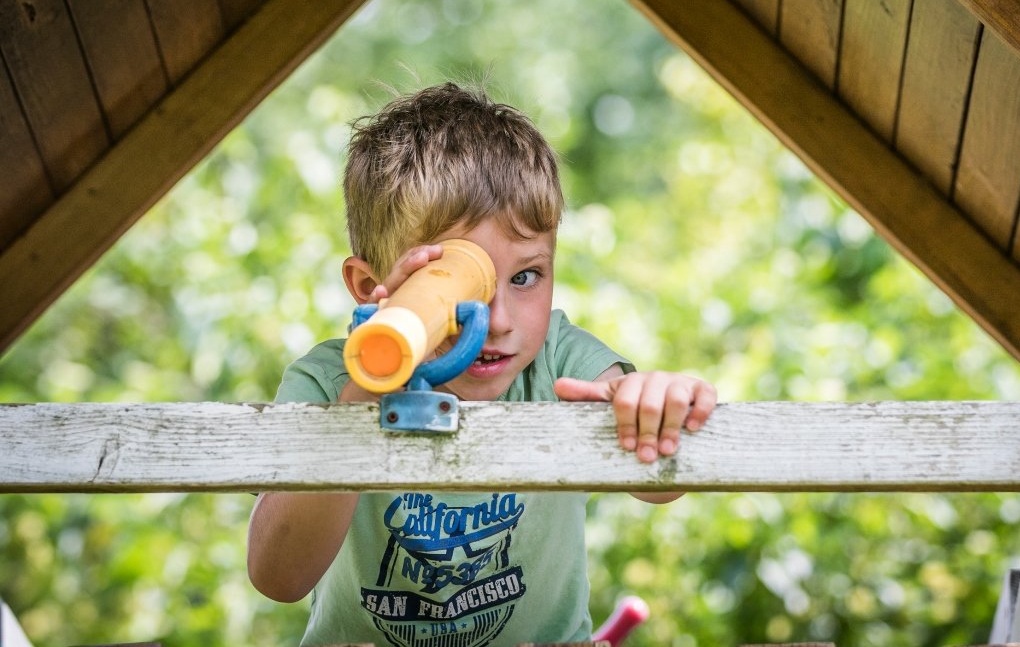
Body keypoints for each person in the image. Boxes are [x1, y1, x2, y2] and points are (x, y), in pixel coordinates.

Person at [247, 82, 716, 646]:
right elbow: (278, 577)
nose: (496, 321)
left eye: (525, 278)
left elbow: (659, 487)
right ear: (372, 286)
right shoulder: (327, 381)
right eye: (453, 286)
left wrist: (652, 405)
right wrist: (367, 391)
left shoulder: (555, 360)